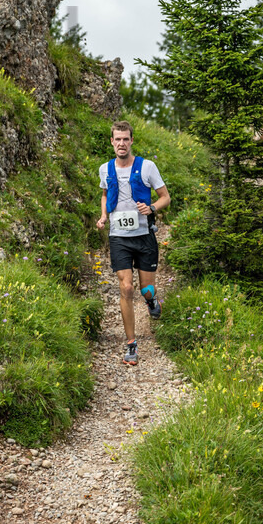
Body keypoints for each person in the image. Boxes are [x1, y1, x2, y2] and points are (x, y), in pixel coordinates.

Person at [97, 120, 170, 365]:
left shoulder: (147, 167)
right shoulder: (105, 169)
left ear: (131, 141)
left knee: (145, 289)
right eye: (117, 139)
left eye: (125, 139)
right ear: (112, 142)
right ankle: (131, 345)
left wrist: (150, 207)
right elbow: (106, 193)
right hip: (118, 237)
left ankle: (151, 300)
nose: (121, 143)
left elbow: (165, 198)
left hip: (144, 235)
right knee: (126, 288)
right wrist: (104, 216)